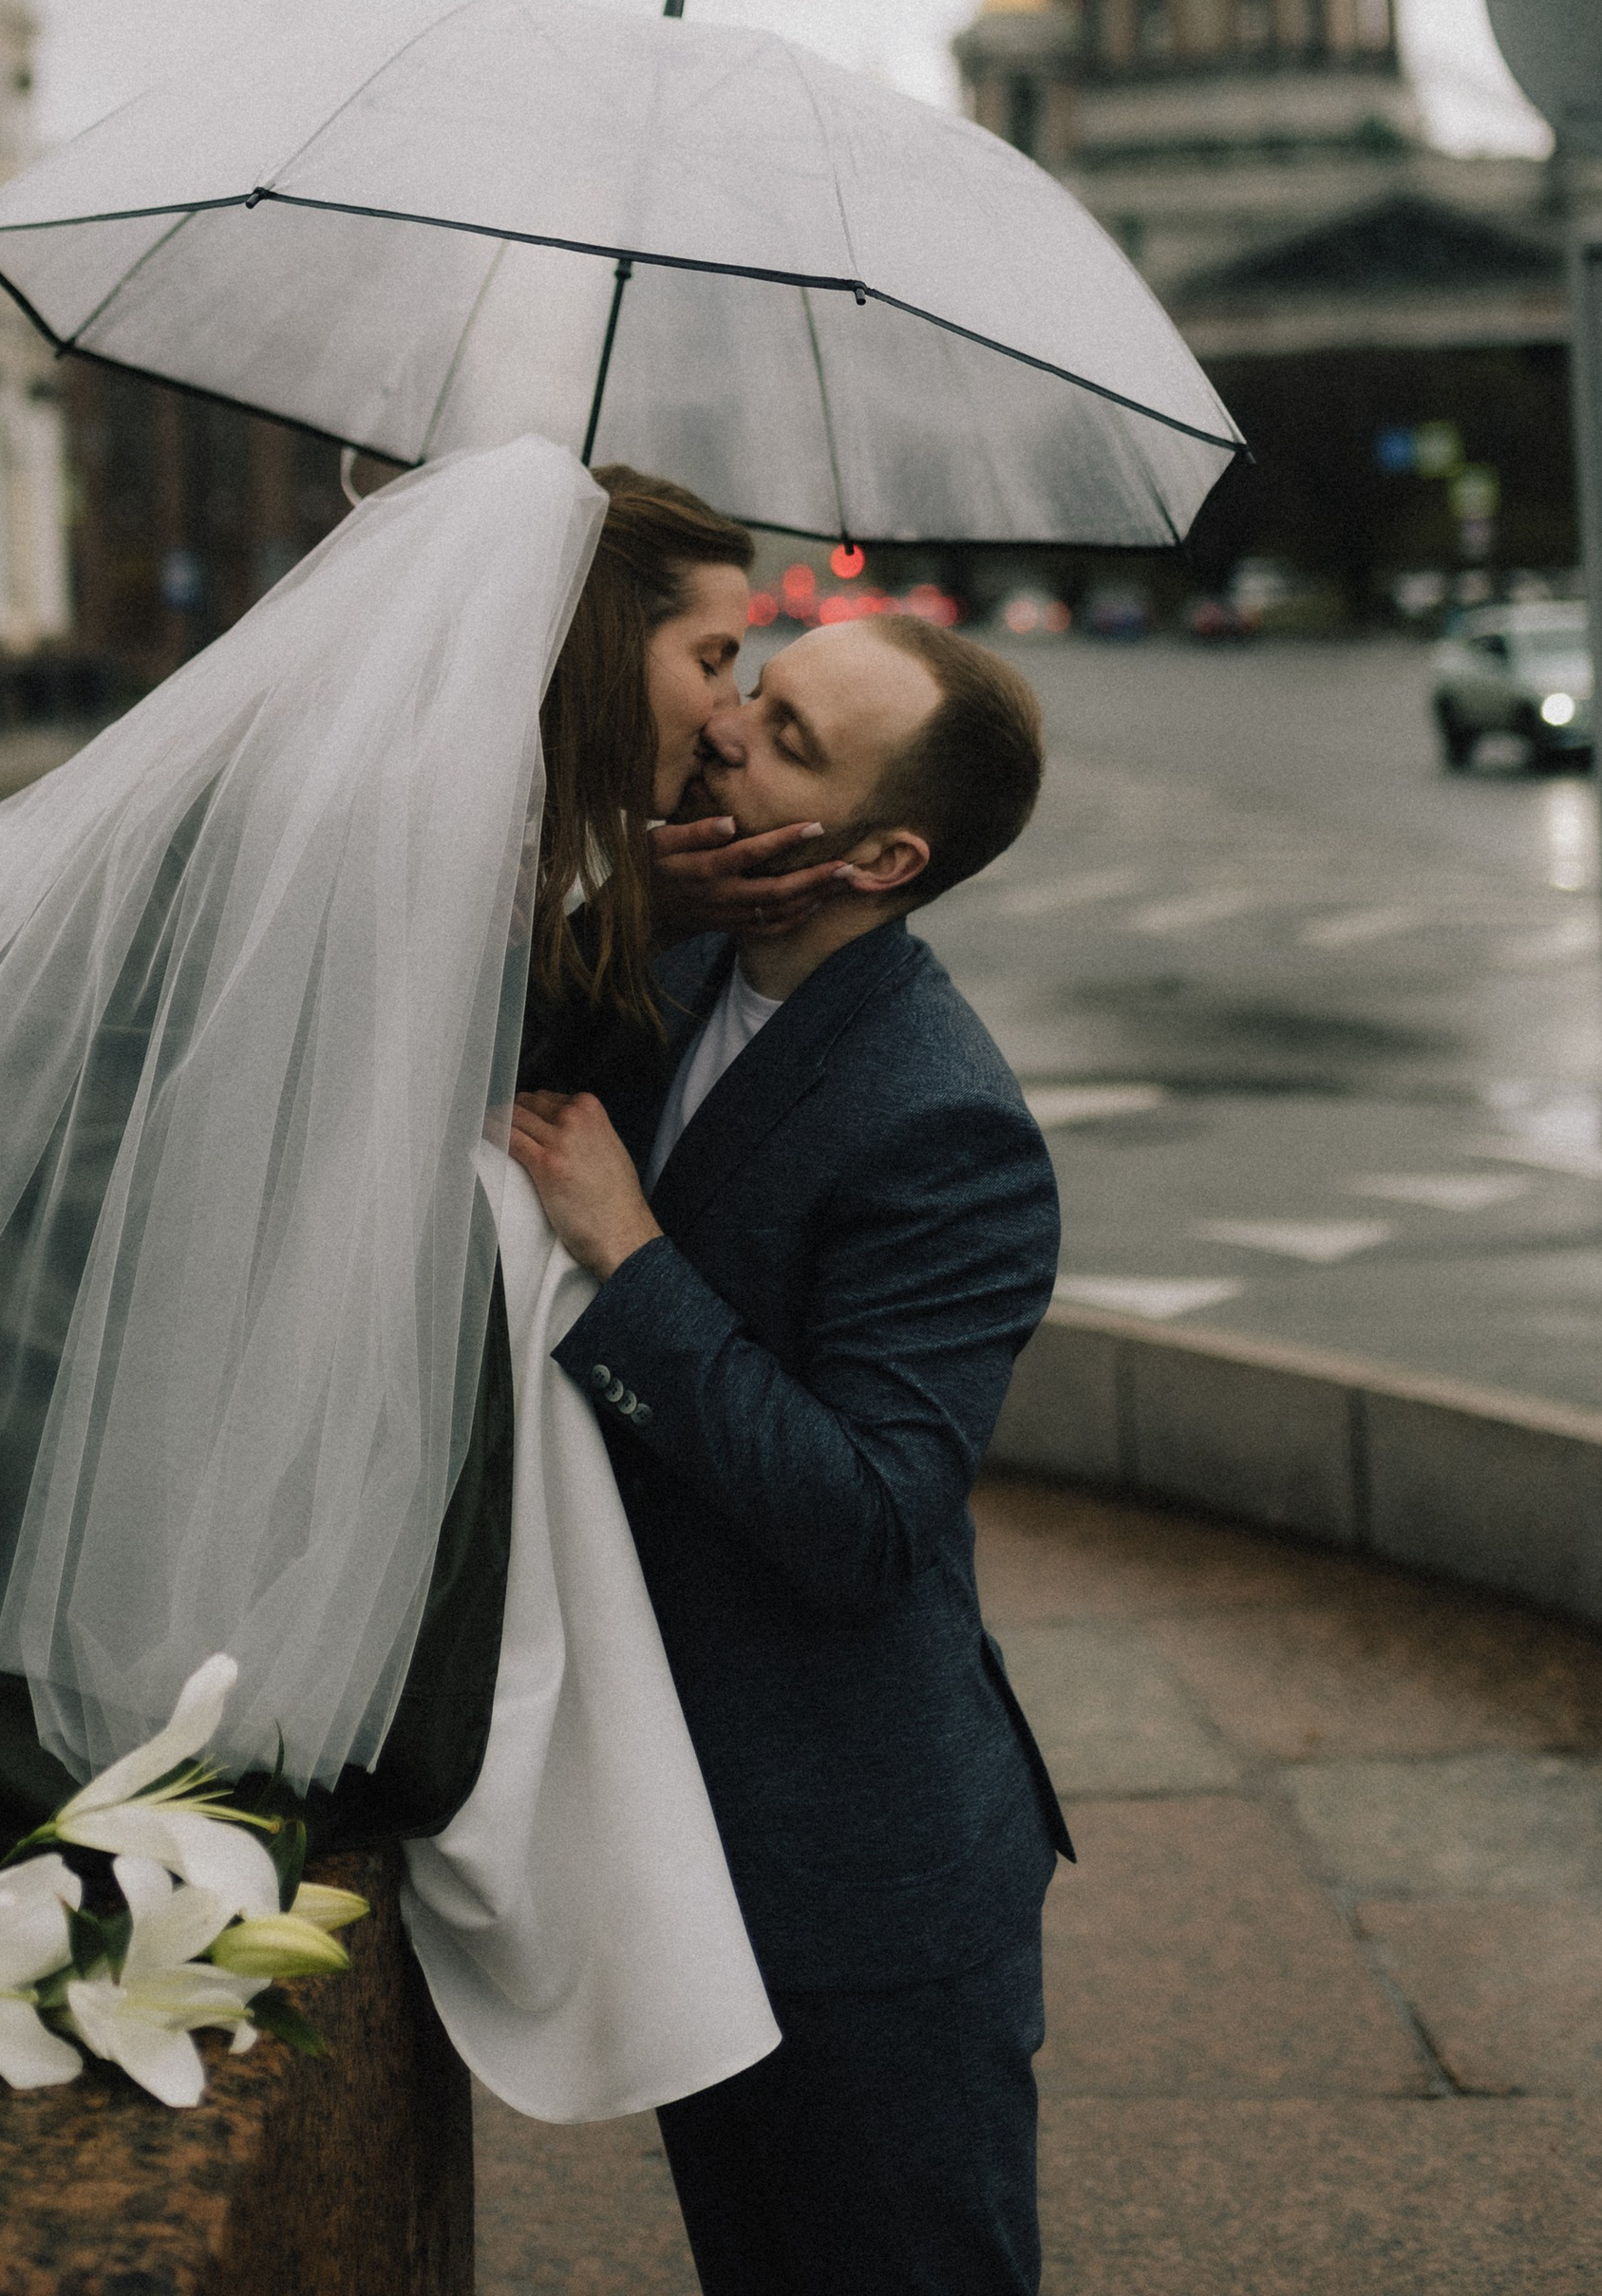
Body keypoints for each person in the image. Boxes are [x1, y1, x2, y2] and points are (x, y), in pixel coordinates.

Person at [0, 442, 800, 1852]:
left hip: (73, 1318)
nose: (729, 711)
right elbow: (350, 1107)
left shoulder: (423, 784)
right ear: (604, 643)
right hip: (24, 1338)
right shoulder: (384, 809)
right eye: (716, 656)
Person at [509, 615, 1070, 2296]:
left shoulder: (943, 1119)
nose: (732, 730)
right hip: (688, 1842)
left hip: (862, 1874)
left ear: (885, 856)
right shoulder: (669, 977)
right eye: (756, 688)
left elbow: (867, 1518)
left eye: (794, 737)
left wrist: (633, 1260)